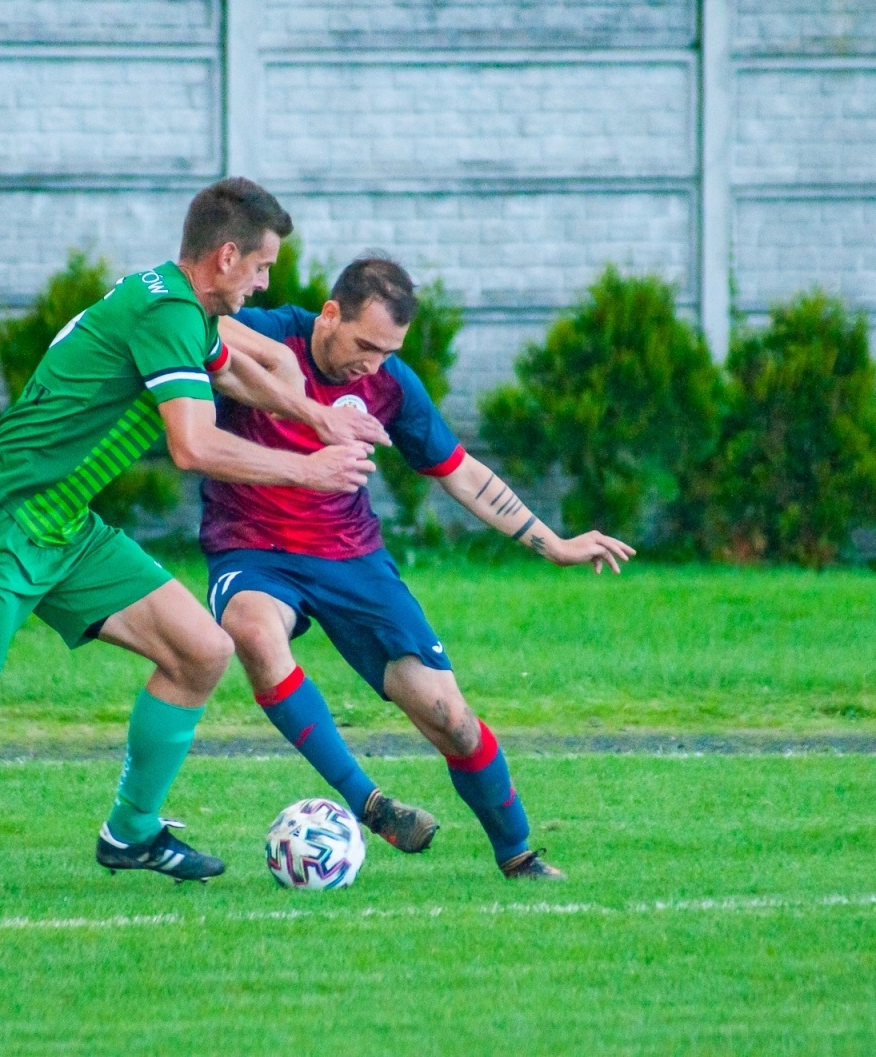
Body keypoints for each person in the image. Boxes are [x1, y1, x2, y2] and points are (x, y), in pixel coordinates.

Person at [0, 178, 391, 903]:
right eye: (264, 266)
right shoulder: (166, 311)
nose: (268, 281)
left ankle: (132, 832)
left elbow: (232, 372)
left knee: (202, 650)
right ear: (227, 257)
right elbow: (193, 445)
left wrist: (318, 416)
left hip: (64, 528)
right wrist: (308, 468)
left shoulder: (176, 304)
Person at [203, 255, 636, 880]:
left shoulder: (391, 385)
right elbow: (195, 324)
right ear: (330, 315)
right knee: (252, 629)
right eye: (365, 345)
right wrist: (276, 365)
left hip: (351, 557)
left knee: (450, 718)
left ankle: (517, 855)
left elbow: (459, 472)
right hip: (250, 548)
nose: (373, 364)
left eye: (388, 351)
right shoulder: (272, 334)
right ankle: (368, 803)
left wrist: (555, 543)